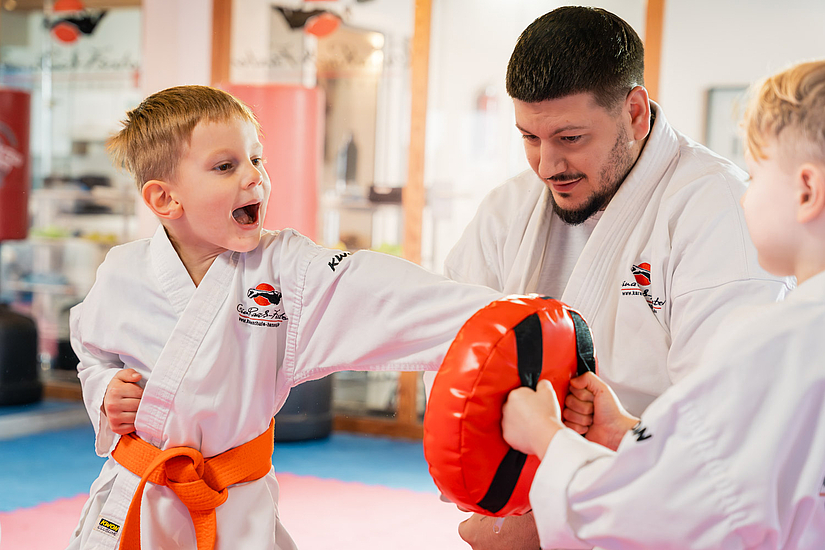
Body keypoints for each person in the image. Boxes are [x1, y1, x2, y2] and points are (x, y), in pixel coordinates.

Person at [67, 85, 502, 550]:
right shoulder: (122, 270)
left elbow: (380, 290)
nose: (254, 177)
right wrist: (106, 392)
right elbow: (92, 353)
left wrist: (507, 314)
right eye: (225, 166)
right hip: (136, 498)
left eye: (258, 160)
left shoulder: (285, 269)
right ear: (165, 199)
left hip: (234, 505)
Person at [442, 6, 792, 549]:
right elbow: (454, 352)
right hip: (520, 500)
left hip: (655, 519)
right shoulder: (506, 208)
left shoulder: (716, 207)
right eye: (530, 138)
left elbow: (724, 433)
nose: (546, 163)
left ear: (634, 112)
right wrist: (499, 493)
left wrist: (557, 505)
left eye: (570, 137)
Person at [500, 59, 825, 549]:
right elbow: (736, 476)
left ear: (807, 191)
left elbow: (658, 516)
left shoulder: (782, 345)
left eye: (756, 179)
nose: (743, 199)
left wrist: (543, 434)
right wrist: (630, 433)